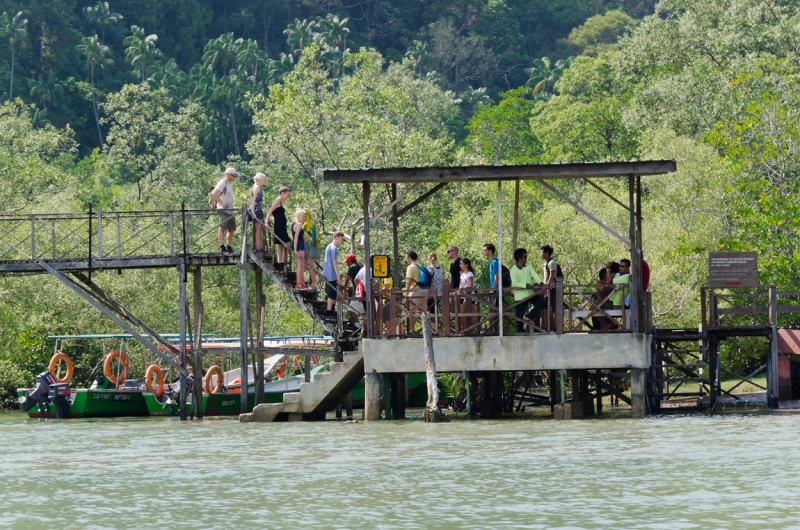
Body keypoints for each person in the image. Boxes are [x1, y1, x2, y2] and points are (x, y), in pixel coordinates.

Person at [510, 248, 544, 332]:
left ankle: (529, 316)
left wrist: (540, 283)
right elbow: (514, 283)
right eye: (525, 256)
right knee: (519, 315)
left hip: (530, 293)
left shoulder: (528, 264)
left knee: (541, 303)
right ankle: (520, 331)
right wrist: (525, 285)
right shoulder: (513, 270)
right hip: (520, 295)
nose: (526, 258)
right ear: (519, 258)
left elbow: (534, 274)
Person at [210, 167, 239, 254]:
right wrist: (222, 204)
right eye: (233, 175)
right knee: (222, 228)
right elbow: (214, 193)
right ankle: (222, 247)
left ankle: (229, 246)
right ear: (228, 175)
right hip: (223, 210)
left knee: (232, 229)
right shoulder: (223, 183)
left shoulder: (229, 184)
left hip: (230, 210)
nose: (235, 177)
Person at [266, 186, 291, 272]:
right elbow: (269, 212)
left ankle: (280, 263)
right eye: (288, 194)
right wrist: (266, 222)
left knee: (281, 245)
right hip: (279, 226)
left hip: (282, 226)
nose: (288, 196)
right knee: (288, 244)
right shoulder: (277, 201)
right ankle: (281, 262)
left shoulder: (280, 202)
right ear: (282, 193)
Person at [404, 250, 429, 328]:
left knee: (411, 312)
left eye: (406, 257)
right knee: (423, 312)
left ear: (409, 257)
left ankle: (412, 331)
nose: (406, 259)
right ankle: (425, 330)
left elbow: (408, 281)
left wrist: (406, 294)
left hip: (415, 291)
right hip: (424, 291)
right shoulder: (421, 266)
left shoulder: (411, 267)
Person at [323, 231, 345, 311]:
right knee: (332, 294)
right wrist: (338, 275)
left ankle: (332, 309)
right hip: (331, 274)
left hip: (327, 272)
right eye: (341, 239)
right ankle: (329, 311)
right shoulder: (333, 248)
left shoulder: (329, 246)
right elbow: (334, 262)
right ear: (336, 238)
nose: (342, 240)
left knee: (335, 293)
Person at [540, 245, 560, 331]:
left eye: (542, 252)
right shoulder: (545, 263)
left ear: (546, 253)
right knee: (546, 308)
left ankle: (555, 327)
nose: (540, 254)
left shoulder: (552, 262)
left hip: (553, 288)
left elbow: (551, 276)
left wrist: (547, 286)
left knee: (555, 308)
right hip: (548, 288)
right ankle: (546, 327)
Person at [342, 254, 363, 325]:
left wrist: (344, 291)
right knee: (365, 310)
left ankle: (357, 326)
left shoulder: (352, 267)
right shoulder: (359, 265)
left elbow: (347, 280)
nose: (346, 264)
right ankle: (363, 327)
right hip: (364, 291)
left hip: (359, 292)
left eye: (347, 262)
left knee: (351, 309)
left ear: (349, 261)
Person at [249, 172, 266, 253]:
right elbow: (253, 200)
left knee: (258, 229)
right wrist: (253, 211)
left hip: (257, 208)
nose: (264, 181)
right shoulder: (257, 187)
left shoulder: (254, 186)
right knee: (258, 229)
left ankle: (258, 247)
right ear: (260, 180)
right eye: (264, 180)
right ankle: (258, 247)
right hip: (257, 209)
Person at [303, 210, 321, 288]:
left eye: (304, 215)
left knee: (310, 265)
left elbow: (314, 237)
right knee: (305, 265)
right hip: (308, 247)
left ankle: (313, 284)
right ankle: (319, 273)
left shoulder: (310, 224)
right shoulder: (303, 224)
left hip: (314, 246)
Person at [291, 210, 309, 290]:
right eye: (303, 216)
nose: (304, 218)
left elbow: (298, 236)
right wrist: (295, 249)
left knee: (301, 265)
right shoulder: (298, 225)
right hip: (299, 247)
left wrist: (304, 238)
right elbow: (295, 237)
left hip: (300, 245)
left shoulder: (295, 224)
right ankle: (298, 284)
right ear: (298, 216)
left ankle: (302, 283)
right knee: (300, 265)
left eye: (305, 217)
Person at [459, 257, 476, 332]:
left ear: (466, 265)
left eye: (462, 264)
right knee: (462, 314)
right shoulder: (462, 275)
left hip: (470, 296)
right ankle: (463, 330)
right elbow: (460, 285)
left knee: (473, 313)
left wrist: (467, 297)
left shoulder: (469, 274)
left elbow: (471, 286)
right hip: (462, 296)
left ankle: (481, 329)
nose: (460, 265)